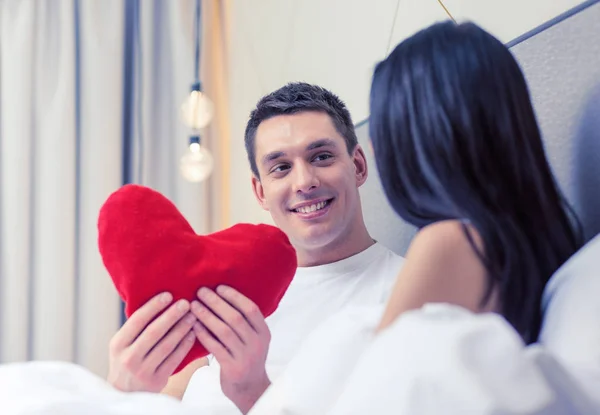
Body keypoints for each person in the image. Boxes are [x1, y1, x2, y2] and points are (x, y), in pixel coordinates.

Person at [106, 82, 405, 413]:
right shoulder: (227, 287)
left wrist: (252, 392)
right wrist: (122, 394)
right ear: (260, 192)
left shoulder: (408, 292)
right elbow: (166, 396)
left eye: (321, 157)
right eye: (281, 167)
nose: (304, 181)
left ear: (358, 165)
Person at [367, 21, 583, 341]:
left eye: (381, 127)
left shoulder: (449, 242)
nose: (373, 147)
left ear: (416, 136)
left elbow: (377, 387)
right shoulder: (544, 233)